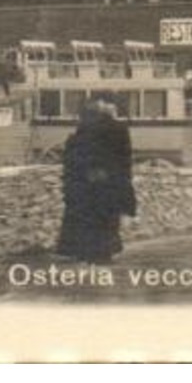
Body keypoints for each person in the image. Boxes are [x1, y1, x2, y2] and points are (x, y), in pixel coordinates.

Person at [56, 93, 137, 264]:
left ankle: (85, 252)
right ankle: (101, 254)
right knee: (106, 220)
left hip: (86, 183)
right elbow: (124, 160)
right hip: (109, 183)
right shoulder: (118, 129)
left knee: (88, 218)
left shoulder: (83, 129)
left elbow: (75, 157)